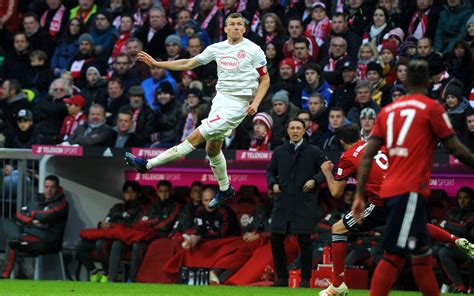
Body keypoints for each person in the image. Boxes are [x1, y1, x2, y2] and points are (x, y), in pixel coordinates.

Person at [352, 60, 474, 296]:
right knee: (395, 256)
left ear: (405, 82)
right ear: (429, 81)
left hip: (391, 191)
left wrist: (358, 194)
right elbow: (456, 149)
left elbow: (367, 155)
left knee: (421, 256)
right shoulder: (432, 108)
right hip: (409, 192)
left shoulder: (388, 111)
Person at [125, 12, 270, 208]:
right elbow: (188, 62)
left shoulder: (254, 50)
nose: (236, 27)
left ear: (244, 28)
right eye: (232, 24)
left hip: (239, 104)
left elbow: (265, 79)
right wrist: (157, 63)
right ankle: (226, 189)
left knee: (194, 138)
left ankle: (147, 165)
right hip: (220, 100)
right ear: (226, 29)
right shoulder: (217, 48)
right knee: (212, 149)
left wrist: (256, 103)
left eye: (239, 24)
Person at [266, 118, 328, 287]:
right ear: (287, 131)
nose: (294, 131)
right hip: (283, 202)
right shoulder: (279, 151)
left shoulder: (314, 151)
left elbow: (326, 170)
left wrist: (315, 181)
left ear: (304, 131)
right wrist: (273, 184)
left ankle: (305, 280)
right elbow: (270, 172)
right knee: (276, 239)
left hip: (304, 203)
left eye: (298, 128)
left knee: (305, 241)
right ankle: (282, 278)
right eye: (292, 128)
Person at [1, 175, 68, 279]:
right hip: (30, 233)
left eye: (52, 187)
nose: (49, 190)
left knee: (12, 243)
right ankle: (17, 239)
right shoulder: (36, 199)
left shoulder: (62, 203)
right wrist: (32, 221)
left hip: (47, 240)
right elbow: (19, 215)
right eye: (46, 187)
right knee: (6, 222)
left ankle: (5, 275)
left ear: (58, 188)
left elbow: (46, 216)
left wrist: (31, 214)